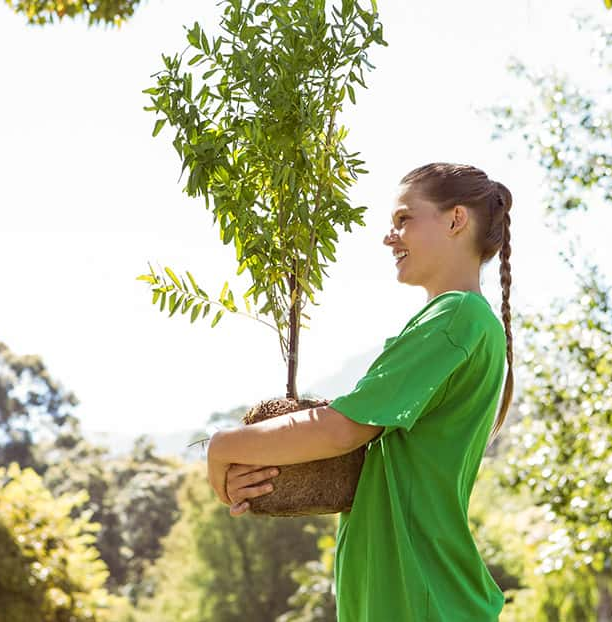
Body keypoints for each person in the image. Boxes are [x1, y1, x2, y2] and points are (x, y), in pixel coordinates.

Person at [206, 162, 514, 621]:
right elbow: (360, 455)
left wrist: (225, 446)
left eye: (404, 219)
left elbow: (343, 429)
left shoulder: (457, 318)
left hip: (423, 600)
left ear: (455, 219)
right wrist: (263, 475)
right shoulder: (461, 321)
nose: (390, 237)